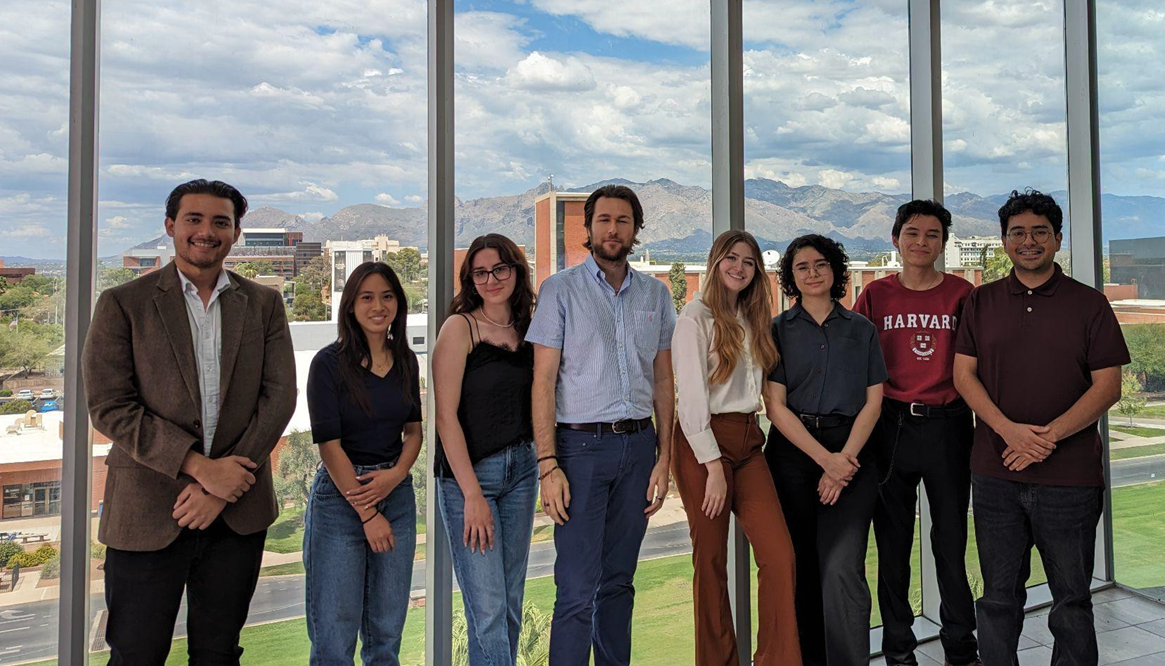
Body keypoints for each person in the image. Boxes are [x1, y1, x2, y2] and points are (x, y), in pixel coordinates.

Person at [82, 179, 297, 665]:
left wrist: (224, 486)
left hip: (236, 515)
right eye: (194, 219)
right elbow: (110, 406)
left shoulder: (264, 305)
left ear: (236, 232)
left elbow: (279, 397)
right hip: (146, 512)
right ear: (170, 227)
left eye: (221, 221)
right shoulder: (123, 304)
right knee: (136, 654)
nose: (207, 231)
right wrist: (200, 469)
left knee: (220, 653)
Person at [953, 189, 1128, 666]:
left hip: (1070, 481)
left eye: (1039, 232)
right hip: (996, 476)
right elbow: (962, 376)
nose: (1028, 241)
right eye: (1017, 233)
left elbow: (1108, 386)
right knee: (997, 599)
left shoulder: (1089, 304)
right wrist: (1010, 432)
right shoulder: (980, 302)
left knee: (1071, 601)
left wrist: (1043, 439)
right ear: (1004, 241)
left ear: (1057, 239)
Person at [525, 184, 676, 666]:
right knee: (575, 590)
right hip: (578, 451)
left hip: (638, 449)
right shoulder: (559, 291)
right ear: (588, 228)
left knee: (619, 585)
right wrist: (548, 465)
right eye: (605, 220)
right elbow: (542, 383)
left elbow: (664, 383)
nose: (614, 229)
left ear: (636, 230)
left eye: (624, 221)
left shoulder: (656, 294)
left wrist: (664, 458)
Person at [853, 200, 980, 666]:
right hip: (890, 427)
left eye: (932, 234)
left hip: (948, 426)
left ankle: (962, 649)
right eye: (912, 233)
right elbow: (856, 362)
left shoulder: (963, 295)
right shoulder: (875, 296)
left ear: (944, 244)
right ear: (895, 239)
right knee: (892, 547)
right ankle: (898, 651)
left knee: (950, 543)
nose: (921, 242)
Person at [672, 230, 801, 666]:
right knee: (710, 563)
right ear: (715, 262)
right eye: (732, 258)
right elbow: (688, 400)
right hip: (702, 445)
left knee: (780, 557)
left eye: (748, 262)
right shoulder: (695, 317)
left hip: (749, 444)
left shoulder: (754, 319)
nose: (739, 268)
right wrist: (710, 466)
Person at [764, 233, 887, 666]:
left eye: (820, 264)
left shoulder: (862, 330)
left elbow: (874, 401)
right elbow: (775, 407)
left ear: (835, 270)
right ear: (790, 277)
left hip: (853, 452)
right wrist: (825, 462)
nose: (812, 273)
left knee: (841, 568)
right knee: (801, 566)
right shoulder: (776, 330)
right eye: (802, 267)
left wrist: (842, 464)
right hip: (794, 455)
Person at [304, 261, 422, 665]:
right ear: (351, 306)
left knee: (386, 634)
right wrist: (368, 513)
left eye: (387, 296)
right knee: (334, 637)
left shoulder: (406, 360)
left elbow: (414, 432)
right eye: (367, 297)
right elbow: (329, 445)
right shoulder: (328, 364)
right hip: (341, 500)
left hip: (397, 494)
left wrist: (396, 475)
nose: (378, 305)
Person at [432, 234, 538, 666]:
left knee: (510, 603)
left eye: (500, 269)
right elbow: (444, 417)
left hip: (522, 474)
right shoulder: (460, 328)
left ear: (516, 270)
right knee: (488, 609)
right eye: (480, 272)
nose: (491, 279)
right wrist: (472, 494)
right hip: (469, 480)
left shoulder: (531, 326)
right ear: (469, 279)